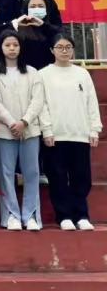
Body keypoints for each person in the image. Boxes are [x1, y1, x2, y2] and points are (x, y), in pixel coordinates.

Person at [0, 31, 46, 231]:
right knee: (6, 173)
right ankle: (11, 215)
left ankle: (31, 215)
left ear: (21, 47)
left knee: (32, 172)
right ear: (1, 47)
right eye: (7, 45)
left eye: (15, 45)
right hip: (5, 130)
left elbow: (38, 100)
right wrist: (12, 122)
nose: (12, 49)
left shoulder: (32, 72)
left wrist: (24, 121)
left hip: (29, 129)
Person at [41, 33, 102, 231]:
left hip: (80, 133)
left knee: (81, 177)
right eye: (60, 47)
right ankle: (64, 216)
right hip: (56, 135)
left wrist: (94, 129)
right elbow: (42, 105)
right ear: (52, 50)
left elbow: (91, 102)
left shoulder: (82, 74)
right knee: (57, 176)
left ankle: (81, 215)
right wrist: (47, 130)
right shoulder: (44, 74)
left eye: (68, 47)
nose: (64, 51)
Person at [12, 0, 59, 70]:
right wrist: (15, 24)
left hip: (48, 71)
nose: (37, 9)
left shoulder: (51, 28)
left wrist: (44, 25)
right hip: (25, 71)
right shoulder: (18, 28)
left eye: (41, 6)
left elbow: (59, 39)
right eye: (32, 6)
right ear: (26, 9)